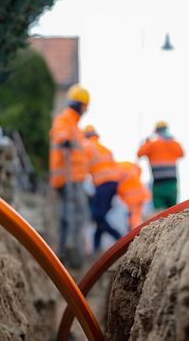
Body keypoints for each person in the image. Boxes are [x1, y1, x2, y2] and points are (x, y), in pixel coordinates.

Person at [49, 84, 90, 267]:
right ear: (81, 105)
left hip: (73, 178)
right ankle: (68, 252)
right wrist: (64, 139)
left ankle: (66, 251)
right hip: (68, 177)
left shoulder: (73, 123)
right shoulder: (66, 119)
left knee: (71, 214)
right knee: (74, 215)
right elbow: (60, 134)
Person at [82, 125, 122, 251]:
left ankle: (120, 239)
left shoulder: (87, 147)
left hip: (103, 184)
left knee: (98, 215)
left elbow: (83, 168)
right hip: (113, 184)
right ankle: (96, 247)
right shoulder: (106, 149)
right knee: (101, 216)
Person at [137, 121, 185, 211]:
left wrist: (146, 142)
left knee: (159, 212)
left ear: (156, 131)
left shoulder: (152, 144)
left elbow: (139, 154)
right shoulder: (174, 143)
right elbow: (182, 153)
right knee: (174, 211)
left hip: (159, 184)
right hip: (172, 182)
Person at [116, 161, 150, 230]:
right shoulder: (126, 164)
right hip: (141, 192)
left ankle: (136, 233)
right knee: (137, 215)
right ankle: (140, 229)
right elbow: (139, 169)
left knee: (134, 218)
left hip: (131, 196)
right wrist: (136, 177)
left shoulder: (115, 169)